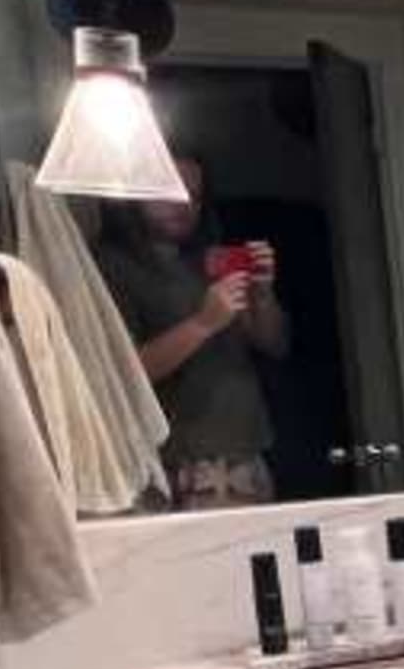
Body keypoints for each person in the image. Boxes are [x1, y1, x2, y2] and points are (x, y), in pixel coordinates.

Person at [94, 152, 289, 505]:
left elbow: (274, 345)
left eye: (195, 196)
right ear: (133, 196)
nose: (183, 204)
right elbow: (124, 374)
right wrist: (203, 323)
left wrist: (262, 294)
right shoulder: (111, 267)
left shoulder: (210, 258)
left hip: (249, 457)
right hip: (184, 468)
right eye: (170, 191)